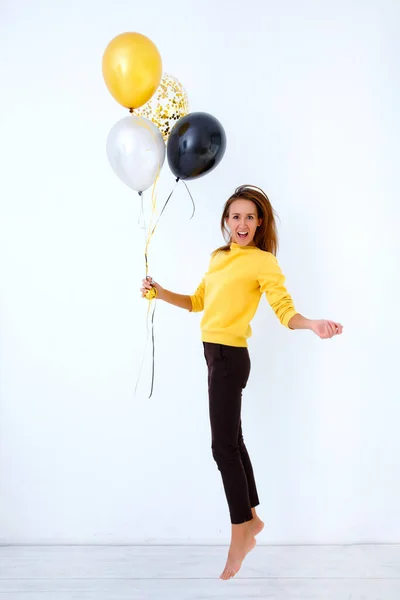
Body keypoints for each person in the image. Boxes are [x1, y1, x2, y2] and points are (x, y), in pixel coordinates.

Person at [140, 184, 343, 580]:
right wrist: (161, 292)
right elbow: (199, 301)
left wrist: (312, 324)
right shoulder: (219, 258)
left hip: (231, 358)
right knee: (233, 441)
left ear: (260, 222)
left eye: (250, 216)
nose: (242, 223)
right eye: (235, 216)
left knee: (222, 447)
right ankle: (251, 518)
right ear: (225, 222)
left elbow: (285, 310)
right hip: (213, 354)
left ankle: (240, 531)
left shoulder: (262, 262)